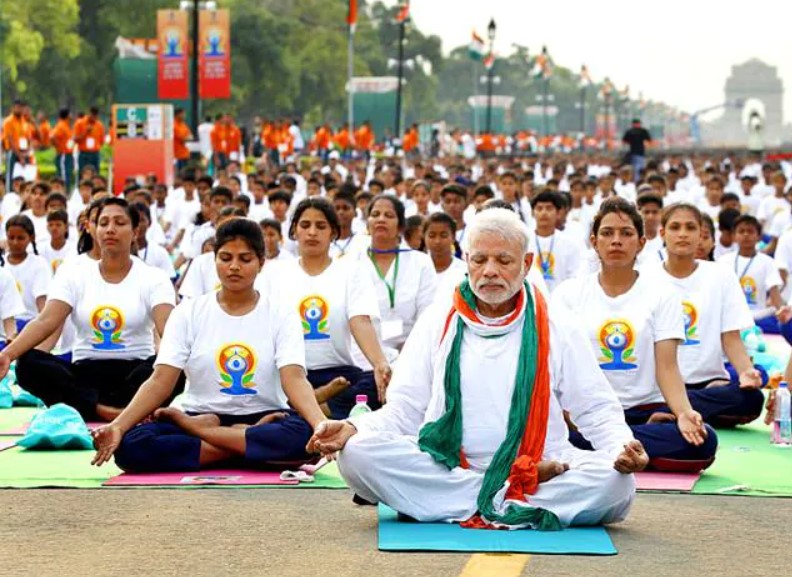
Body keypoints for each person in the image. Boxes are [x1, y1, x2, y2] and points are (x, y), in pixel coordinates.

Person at [310, 208, 646, 528]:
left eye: (504, 261)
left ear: (526, 264)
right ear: (466, 261)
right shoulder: (439, 320)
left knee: (615, 484)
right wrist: (355, 428)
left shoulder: (556, 323)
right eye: (480, 259)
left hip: (541, 458)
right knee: (355, 455)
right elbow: (404, 410)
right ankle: (505, 492)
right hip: (448, 465)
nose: (489, 271)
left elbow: (595, 406)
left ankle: (459, 500)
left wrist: (622, 448)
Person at [91, 219, 328, 472]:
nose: (234, 267)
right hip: (199, 412)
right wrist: (118, 425)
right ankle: (246, 448)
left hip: (264, 416)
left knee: (302, 437)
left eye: (245, 259)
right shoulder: (188, 312)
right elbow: (160, 380)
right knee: (131, 446)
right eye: (225, 258)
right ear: (214, 260)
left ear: (261, 263)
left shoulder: (281, 314)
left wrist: (321, 424)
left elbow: (294, 379)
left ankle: (209, 437)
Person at [553, 198, 716, 470]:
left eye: (626, 233)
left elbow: (667, 367)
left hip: (644, 413)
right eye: (607, 233)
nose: (616, 241)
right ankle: (626, 450)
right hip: (585, 416)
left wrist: (683, 412)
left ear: (641, 242)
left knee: (704, 440)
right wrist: (566, 416)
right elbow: (557, 367)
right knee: (543, 434)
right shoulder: (567, 294)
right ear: (594, 241)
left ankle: (602, 453)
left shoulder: (662, 294)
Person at [0, 198, 182, 422]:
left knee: (175, 367)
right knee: (28, 363)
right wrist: (8, 354)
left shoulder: (154, 277)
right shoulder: (74, 273)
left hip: (135, 374)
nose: (110, 229)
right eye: (103, 223)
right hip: (85, 373)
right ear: (94, 230)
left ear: (135, 231)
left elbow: (169, 329)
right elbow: (46, 321)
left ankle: (98, 407)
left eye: (119, 223)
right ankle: (110, 411)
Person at [262, 197, 391, 419]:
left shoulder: (350, 271)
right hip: (290, 372)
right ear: (294, 231)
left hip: (338, 374)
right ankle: (316, 404)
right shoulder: (274, 273)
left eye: (321, 226)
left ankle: (304, 410)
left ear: (333, 233)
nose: (312, 232)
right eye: (305, 225)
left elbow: (359, 320)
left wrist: (380, 364)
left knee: (374, 383)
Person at [647, 203, 765, 426]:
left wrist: (746, 371)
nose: (682, 234)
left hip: (709, 384)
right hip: (659, 385)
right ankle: (679, 410)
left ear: (700, 233)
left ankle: (671, 411)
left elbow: (731, 338)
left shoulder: (720, 275)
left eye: (690, 227)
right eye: (675, 227)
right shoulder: (645, 276)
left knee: (750, 399)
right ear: (663, 233)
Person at [356, 195, 436, 355]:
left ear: (400, 226)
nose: (381, 219)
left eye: (389, 215)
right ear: (367, 224)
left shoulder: (421, 262)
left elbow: (427, 314)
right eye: (375, 214)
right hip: (361, 356)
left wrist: (411, 350)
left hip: (411, 352)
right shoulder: (352, 263)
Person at [716, 215, 792, 343]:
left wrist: (782, 313)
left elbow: (775, 295)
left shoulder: (768, 262)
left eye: (750, 231)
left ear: (758, 236)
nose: (746, 235)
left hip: (758, 317)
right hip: (730, 315)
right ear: (734, 236)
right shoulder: (723, 261)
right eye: (741, 231)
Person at [2, 215, 49, 332]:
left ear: (31, 238)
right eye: (11, 237)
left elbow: (41, 301)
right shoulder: (2, 265)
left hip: (29, 324)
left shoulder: (39, 264)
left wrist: (44, 327)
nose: (15, 242)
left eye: (21, 238)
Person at [530, 191, 582, 293]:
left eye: (549, 208)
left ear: (558, 213)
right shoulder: (524, 243)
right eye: (539, 208)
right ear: (533, 213)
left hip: (561, 301)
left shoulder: (570, 244)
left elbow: (574, 278)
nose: (544, 212)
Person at [422, 212, 466, 297]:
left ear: (453, 237)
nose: (437, 241)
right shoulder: (417, 269)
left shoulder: (464, 271)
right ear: (424, 237)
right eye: (432, 236)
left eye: (443, 235)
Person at [131, 203, 177, 281]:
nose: (138, 225)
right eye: (134, 220)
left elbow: (170, 280)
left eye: (142, 220)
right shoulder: (119, 252)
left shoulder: (159, 252)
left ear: (149, 223)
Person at [42, 209, 77, 275]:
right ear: (47, 227)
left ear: (66, 227)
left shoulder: (74, 249)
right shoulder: (40, 249)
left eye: (58, 225)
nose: (54, 228)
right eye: (51, 225)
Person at [73, 106, 105, 177]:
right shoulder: (80, 123)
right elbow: (75, 139)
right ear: (89, 114)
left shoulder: (99, 125)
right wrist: (85, 132)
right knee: (83, 175)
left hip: (95, 154)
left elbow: (102, 141)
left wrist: (95, 147)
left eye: (95, 116)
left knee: (96, 175)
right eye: (92, 116)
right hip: (84, 154)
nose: (94, 118)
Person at [50, 108, 74, 192]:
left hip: (67, 154)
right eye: (70, 113)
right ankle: (64, 193)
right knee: (64, 175)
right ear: (67, 115)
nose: (72, 115)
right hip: (63, 154)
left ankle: (65, 192)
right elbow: (52, 137)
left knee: (67, 174)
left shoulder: (66, 125)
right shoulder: (61, 125)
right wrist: (59, 147)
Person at [173, 108, 193, 173]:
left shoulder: (183, 124)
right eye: (183, 114)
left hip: (185, 154)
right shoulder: (174, 125)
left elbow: (191, 136)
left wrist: (187, 138)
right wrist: (186, 138)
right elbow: (183, 139)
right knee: (180, 173)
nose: (184, 115)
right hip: (177, 155)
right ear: (178, 115)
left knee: (186, 173)